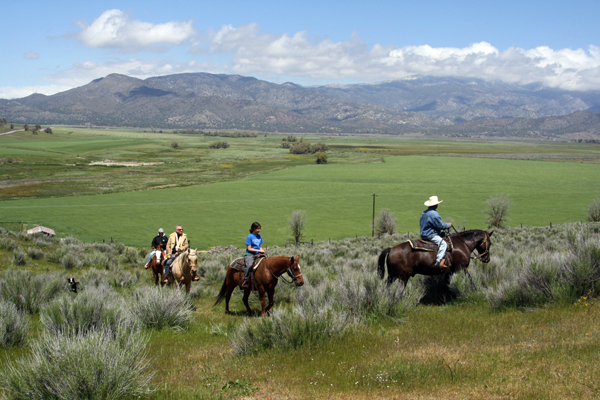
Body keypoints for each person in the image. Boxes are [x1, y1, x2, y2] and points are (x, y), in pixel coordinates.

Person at [420, 196, 453, 272]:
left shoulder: (424, 213)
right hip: (431, 235)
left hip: (423, 234)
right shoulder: (435, 214)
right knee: (443, 244)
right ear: (435, 205)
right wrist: (449, 225)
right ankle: (438, 261)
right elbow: (440, 226)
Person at [243, 222, 265, 288]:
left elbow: (260, 246)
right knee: (249, 265)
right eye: (257, 229)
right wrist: (258, 250)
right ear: (253, 228)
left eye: (259, 229)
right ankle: (245, 280)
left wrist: (262, 251)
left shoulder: (259, 236)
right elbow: (249, 248)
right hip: (250, 254)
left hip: (258, 254)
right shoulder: (250, 237)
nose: (259, 230)